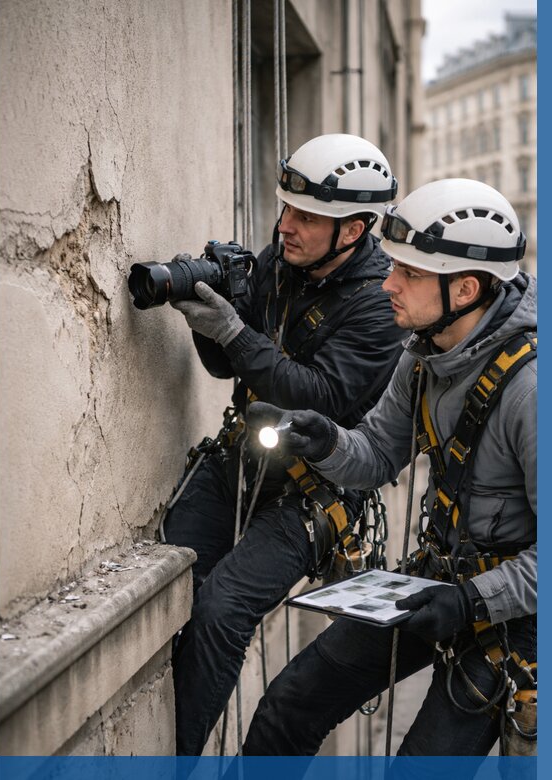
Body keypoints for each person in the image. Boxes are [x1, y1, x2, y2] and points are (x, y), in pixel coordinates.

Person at [244, 178, 537, 757]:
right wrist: (324, 439)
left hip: (520, 616)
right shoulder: (424, 354)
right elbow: (376, 455)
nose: (388, 283)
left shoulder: (536, 390)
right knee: (289, 706)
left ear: (466, 288)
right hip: (443, 579)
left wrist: (471, 602)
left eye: (410, 273)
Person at [162, 133, 405, 755]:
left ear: (352, 231)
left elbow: (319, 396)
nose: (286, 225)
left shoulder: (379, 304)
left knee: (222, 608)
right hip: (240, 461)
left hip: (312, 494)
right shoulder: (282, 260)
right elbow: (227, 368)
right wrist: (207, 317)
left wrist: (237, 333)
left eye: (305, 217)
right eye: (285, 209)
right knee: (168, 584)